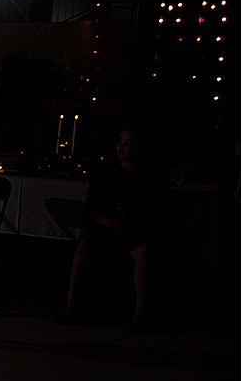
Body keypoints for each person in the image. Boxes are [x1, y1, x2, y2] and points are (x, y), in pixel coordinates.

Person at [61, 125, 168, 329]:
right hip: (105, 229)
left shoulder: (152, 176)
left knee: (143, 252)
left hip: (137, 230)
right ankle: (71, 306)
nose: (121, 146)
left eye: (128, 143)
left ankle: (140, 314)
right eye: (121, 141)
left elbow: (159, 213)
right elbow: (89, 210)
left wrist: (133, 222)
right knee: (84, 246)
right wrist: (105, 221)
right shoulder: (106, 172)